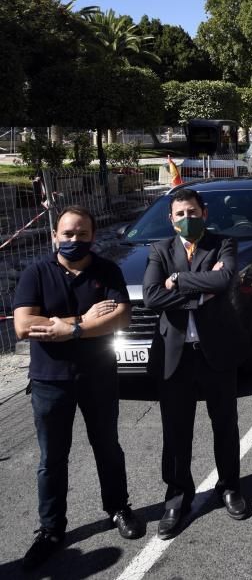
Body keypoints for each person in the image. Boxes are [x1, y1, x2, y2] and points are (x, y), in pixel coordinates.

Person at [13, 206, 143, 571]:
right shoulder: (36, 272)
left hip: (98, 376)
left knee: (107, 447)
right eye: (68, 234)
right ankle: (51, 531)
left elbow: (121, 316)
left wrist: (72, 330)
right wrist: (84, 320)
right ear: (55, 235)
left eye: (82, 234)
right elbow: (24, 326)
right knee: (51, 459)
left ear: (93, 236)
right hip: (49, 381)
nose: (74, 240)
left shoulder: (107, 271)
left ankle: (118, 508)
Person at [143, 188, 252, 540]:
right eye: (179, 214)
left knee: (225, 425)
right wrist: (202, 292)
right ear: (170, 219)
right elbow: (151, 296)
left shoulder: (223, 244)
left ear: (204, 213)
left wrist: (178, 281)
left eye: (192, 212)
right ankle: (177, 497)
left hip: (216, 353)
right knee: (176, 432)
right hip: (175, 357)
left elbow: (226, 278)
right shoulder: (160, 249)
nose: (186, 219)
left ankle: (230, 486)